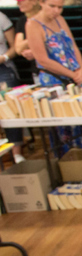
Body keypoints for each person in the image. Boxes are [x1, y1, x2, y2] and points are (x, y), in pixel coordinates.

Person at [27, 0, 82, 156]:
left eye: (60, 7)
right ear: (41, 3)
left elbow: (73, 47)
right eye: (52, 6)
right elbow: (42, 60)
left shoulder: (60, 20)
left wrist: (81, 70)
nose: (56, 11)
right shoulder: (33, 25)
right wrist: (71, 74)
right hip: (55, 81)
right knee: (65, 127)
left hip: (74, 78)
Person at [0, 11, 25, 163]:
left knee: (10, 108)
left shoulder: (1, 18)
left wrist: (4, 57)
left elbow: (15, 47)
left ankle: (16, 152)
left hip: (3, 67)